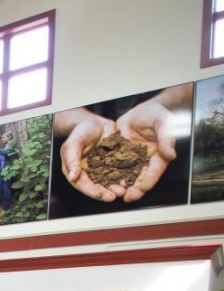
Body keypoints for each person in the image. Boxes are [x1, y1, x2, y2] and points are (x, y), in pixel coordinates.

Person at [55, 83, 193, 203]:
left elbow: (190, 85)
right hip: (74, 194)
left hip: (168, 180)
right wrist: (82, 121)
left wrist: (164, 103)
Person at [0, 131, 20, 211]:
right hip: (2, 170)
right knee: (0, 188)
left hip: (8, 170)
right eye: (2, 137)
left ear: (9, 137)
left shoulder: (12, 144)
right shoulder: (6, 145)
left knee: (6, 188)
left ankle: (6, 208)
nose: (2, 139)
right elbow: (4, 157)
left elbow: (6, 154)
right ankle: (5, 205)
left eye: (4, 137)